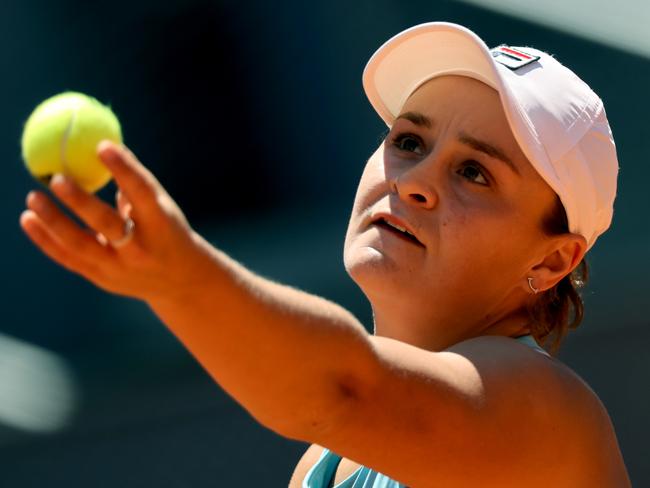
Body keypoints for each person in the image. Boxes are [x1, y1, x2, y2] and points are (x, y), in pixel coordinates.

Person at [19, 21, 630, 487]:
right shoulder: (326, 461)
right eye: (409, 139)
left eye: (474, 172)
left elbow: (343, 388)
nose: (414, 179)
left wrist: (180, 278)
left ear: (553, 262)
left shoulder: (546, 410)